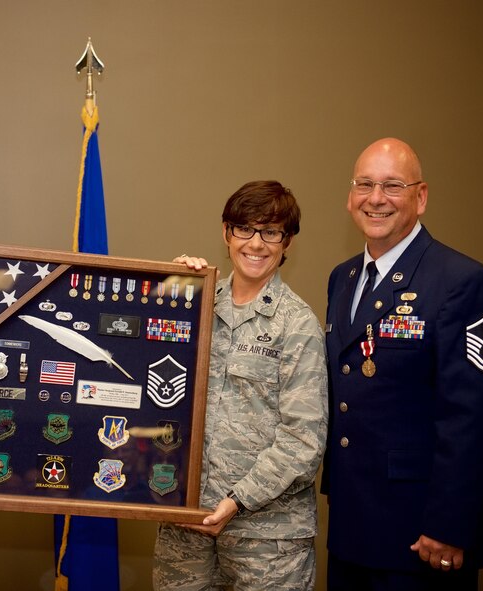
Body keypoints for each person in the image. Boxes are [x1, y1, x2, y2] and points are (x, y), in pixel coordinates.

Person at [322, 137, 483, 590]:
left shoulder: (463, 283)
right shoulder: (343, 278)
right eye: (365, 184)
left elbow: (474, 419)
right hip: (352, 526)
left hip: (420, 535)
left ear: (420, 197)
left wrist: (450, 524)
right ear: (350, 196)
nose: (376, 198)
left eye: (392, 185)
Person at [154, 180, 328, 590]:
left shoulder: (297, 324)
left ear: (287, 243)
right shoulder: (194, 305)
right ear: (226, 233)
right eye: (244, 229)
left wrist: (236, 501)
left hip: (268, 540)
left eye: (271, 232)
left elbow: (303, 439)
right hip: (185, 528)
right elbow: (142, 375)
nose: (256, 243)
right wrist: (169, 290)